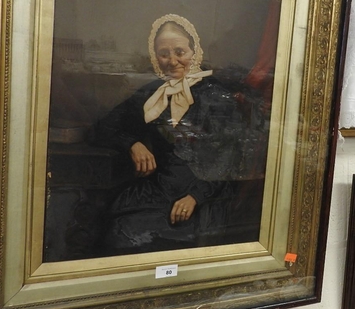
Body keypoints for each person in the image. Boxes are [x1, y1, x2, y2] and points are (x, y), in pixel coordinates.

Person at [94, 14, 247, 256]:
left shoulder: (217, 96)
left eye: (180, 51)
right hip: (158, 191)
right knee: (113, 229)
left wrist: (195, 197)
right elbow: (103, 126)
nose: (172, 61)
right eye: (164, 54)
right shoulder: (152, 93)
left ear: (194, 52)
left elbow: (229, 159)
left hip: (202, 198)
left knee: (135, 238)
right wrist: (133, 144)